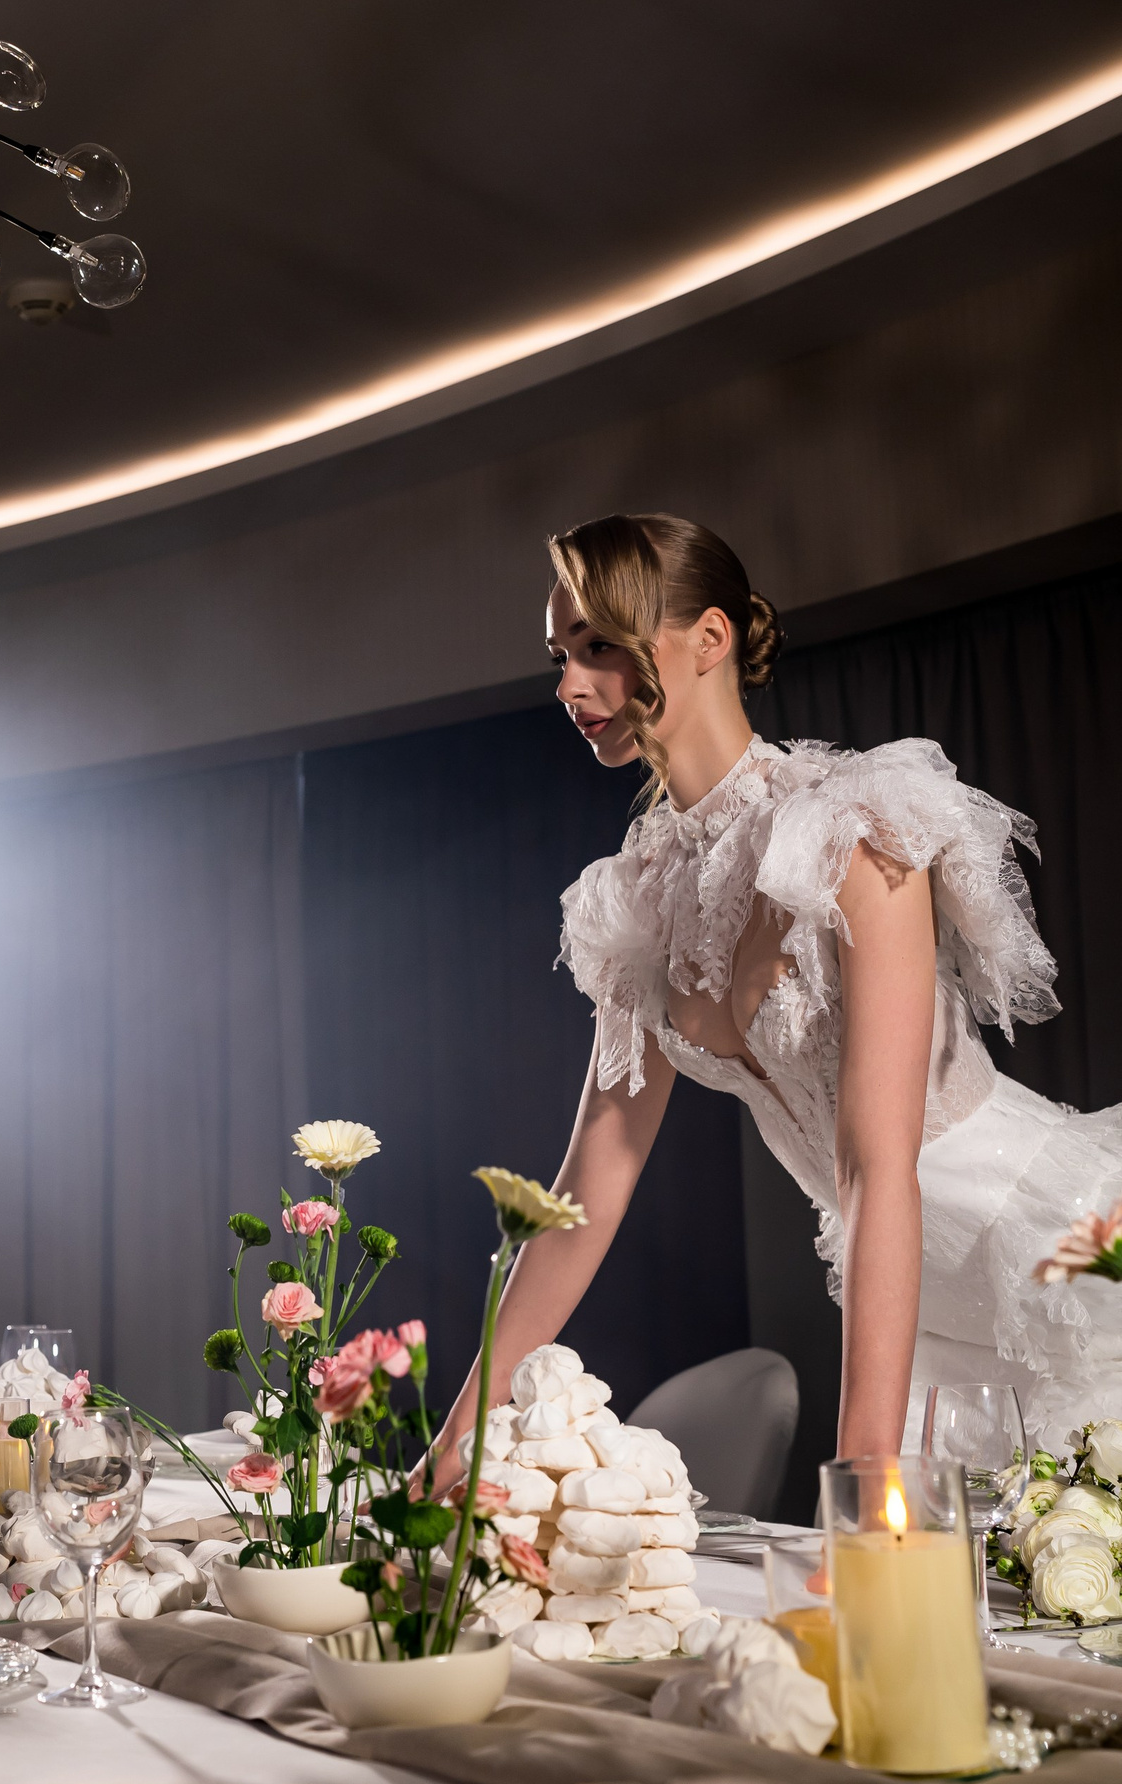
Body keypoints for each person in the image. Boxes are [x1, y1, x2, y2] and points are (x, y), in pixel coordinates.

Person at [431, 511, 1122, 1489]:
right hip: (930, 1322)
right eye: (560, 656)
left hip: (1068, 1256)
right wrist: (457, 1441)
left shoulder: (852, 826)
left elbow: (876, 1168)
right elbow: (585, 1191)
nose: (570, 684)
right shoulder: (640, 901)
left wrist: (860, 1481)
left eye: (599, 646)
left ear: (709, 638)